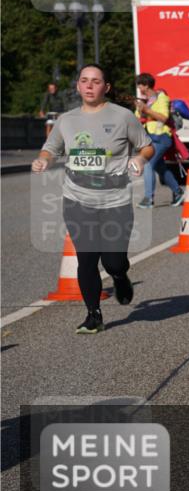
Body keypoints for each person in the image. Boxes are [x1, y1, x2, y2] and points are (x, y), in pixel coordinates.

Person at [32, 64, 153, 333]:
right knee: (86, 258)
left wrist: (139, 158)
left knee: (113, 261)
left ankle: (120, 276)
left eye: (95, 81)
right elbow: (51, 148)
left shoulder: (123, 117)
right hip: (77, 199)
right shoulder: (67, 120)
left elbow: (147, 146)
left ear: (106, 87)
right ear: (78, 86)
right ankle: (93, 315)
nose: (89, 85)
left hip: (115, 200)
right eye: (84, 81)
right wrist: (43, 160)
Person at [134, 73, 183, 209]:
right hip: (151, 139)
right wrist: (140, 110)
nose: (139, 88)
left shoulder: (162, 98)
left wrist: (146, 109)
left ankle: (148, 199)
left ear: (146, 85)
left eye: (140, 85)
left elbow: (163, 117)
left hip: (162, 137)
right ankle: (178, 192)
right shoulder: (144, 101)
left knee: (148, 163)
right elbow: (137, 119)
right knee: (160, 168)